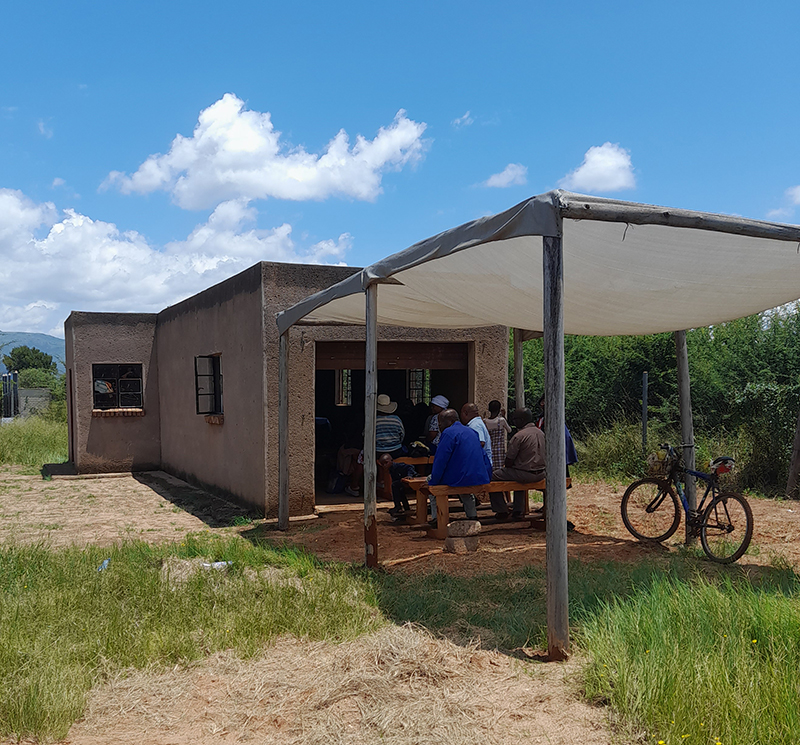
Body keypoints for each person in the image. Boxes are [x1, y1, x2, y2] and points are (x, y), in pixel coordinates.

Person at [422, 408, 492, 524]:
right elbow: (483, 455)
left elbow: (441, 461)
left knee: (430, 482)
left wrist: (434, 481)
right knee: (466, 490)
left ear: (449, 421)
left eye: (440, 423)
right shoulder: (472, 432)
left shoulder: (448, 434)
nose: (439, 426)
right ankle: (472, 516)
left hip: (459, 477)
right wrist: (487, 476)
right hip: (478, 476)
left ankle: (436, 519)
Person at [489, 408, 546, 519]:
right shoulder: (541, 433)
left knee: (493, 476)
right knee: (517, 475)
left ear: (521, 420)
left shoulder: (519, 436)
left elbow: (509, 460)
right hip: (541, 473)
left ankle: (501, 510)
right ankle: (518, 510)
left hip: (525, 473)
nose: (514, 422)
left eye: (515, 419)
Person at [460, 402, 493, 467]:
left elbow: (481, 443)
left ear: (465, 413)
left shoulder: (475, 425)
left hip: (480, 465)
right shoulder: (476, 423)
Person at [483, 399, 511, 467]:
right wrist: (504, 416)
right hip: (499, 450)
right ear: (499, 409)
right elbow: (509, 430)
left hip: (489, 448)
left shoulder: (485, 421)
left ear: (489, 409)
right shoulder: (501, 420)